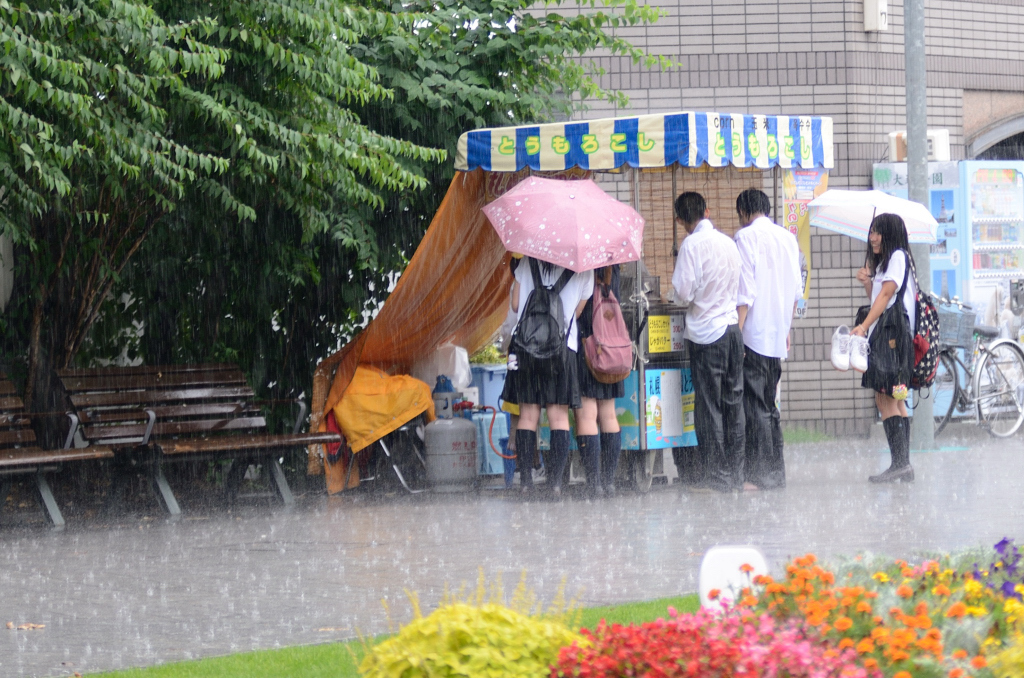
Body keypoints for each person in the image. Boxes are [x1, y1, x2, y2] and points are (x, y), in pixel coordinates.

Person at [671, 192, 745, 492]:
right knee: (733, 402)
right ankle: (736, 474)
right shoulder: (729, 242)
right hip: (732, 330)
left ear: (680, 220)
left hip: (706, 335)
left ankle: (716, 474)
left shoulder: (691, 245)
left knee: (708, 406)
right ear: (707, 210)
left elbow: (683, 293)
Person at [502, 257, 594, 496]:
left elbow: (515, 305)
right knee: (559, 417)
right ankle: (554, 484)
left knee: (528, 416)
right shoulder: (584, 268)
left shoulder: (526, 264)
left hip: (526, 348)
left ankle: (525, 484)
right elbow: (578, 311)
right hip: (561, 351)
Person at [734, 188, 802, 490]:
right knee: (770, 405)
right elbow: (795, 291)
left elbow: (745, 290)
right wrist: (785, 328)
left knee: (756, 405)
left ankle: (760, 476)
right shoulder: (788, 238)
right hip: (777, 334)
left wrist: (738, 331)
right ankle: (777, 472)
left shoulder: (745, 238)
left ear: (745, 212)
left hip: (755, 333)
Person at [851, 213, 917, 483]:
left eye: (878, 232)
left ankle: (900, 464)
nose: (872, 237)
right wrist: (869, 281)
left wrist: (864, 326)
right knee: (897, 396)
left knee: (885, 396)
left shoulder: (898, 256)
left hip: (891, 338)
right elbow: (879, 298)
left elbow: (887, 296)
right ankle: (904, 465)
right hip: (891, 335)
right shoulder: (886, 263)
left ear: (889, 233)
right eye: (871, 232)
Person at [574, 264, 623, 497]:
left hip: (587, 349)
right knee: (609, 414)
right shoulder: (614, 270)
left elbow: (576, 313)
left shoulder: (581, 270)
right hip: (611, 352)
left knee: (587, 415)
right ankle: (609, 481)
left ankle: (594, 484)